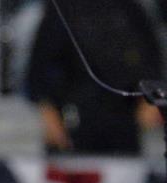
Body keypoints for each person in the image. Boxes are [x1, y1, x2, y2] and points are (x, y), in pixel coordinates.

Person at [25, 0, 164, 155]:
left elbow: (151, 60)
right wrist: (47, 111)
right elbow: (39, 67)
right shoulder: (60, 9)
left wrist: (149, 100)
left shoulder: (131, 8)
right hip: (72, 115)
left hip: (123, 116)